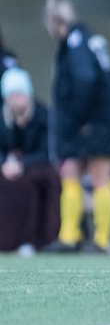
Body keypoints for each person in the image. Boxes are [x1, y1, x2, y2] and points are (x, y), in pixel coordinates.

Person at [42, 0, 110, 254]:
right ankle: (70, 236)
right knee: (70, 173)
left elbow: (86, 81)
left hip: (93, 123)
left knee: (100, 177)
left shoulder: (77, 43)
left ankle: (101, 241)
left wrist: (80, 119)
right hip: (95, 121)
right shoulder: (88, 40)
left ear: (56, 21)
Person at [0, 68, 60, 255]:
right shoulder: (2, 118)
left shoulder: (43, 115)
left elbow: (46, 151)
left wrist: (22, 163)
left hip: (36, 166)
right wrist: (5, 163)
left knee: (32, 182)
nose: (16, 99)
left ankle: (35, 239)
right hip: (6, 166)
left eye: (20, 93)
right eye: (11, 95)